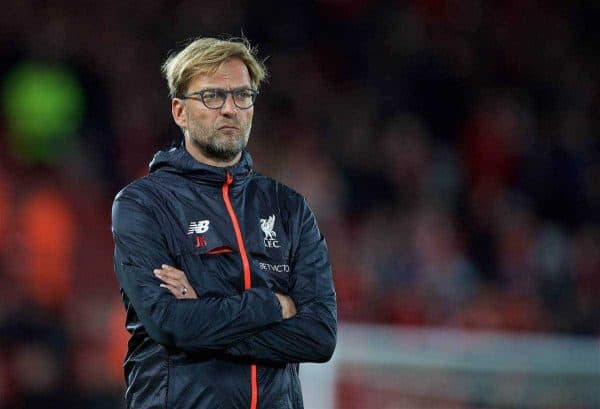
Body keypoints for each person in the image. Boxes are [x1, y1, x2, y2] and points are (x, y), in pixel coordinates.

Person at [111, 36, 337, 409]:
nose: (230, 108)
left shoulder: (290, 208)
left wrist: (203, 314)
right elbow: (170, 323)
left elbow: (320, 337)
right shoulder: (143, 205)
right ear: (180, 112)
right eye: (212, 96)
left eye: (242, 95)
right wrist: (271, 307)